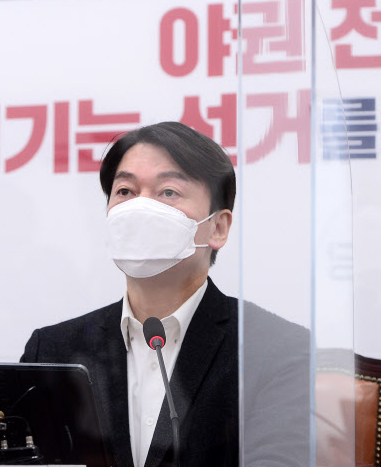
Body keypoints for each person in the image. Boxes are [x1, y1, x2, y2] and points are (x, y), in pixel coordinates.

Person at [21, 122, 309, 467]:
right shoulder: (53, 351)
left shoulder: (276, 350)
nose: (140, 208)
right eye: (125, 191)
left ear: (218, 227)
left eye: (168, 192)